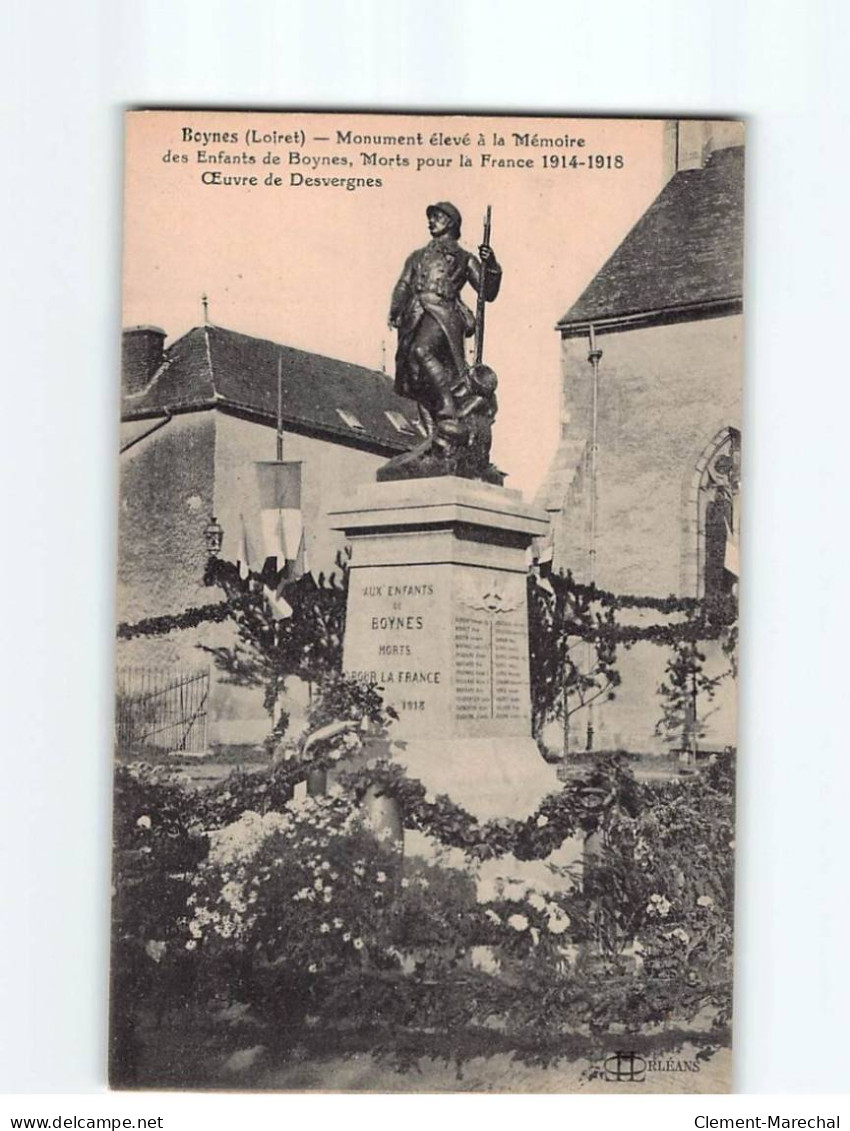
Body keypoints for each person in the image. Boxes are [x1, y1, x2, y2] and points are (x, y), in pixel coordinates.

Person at [388, 202, 501, 429]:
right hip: (415, 313)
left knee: (422, 351)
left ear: (450, 222)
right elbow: (404, 283)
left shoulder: (464, 257)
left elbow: (487, 291)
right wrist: (396, 308)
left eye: (437, 217)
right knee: (416, 377)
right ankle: (433, 436)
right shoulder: (417, 256)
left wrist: (492, 264)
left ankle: (448, 408)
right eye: (431, 217)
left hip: (443, 313)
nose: (431, 221)